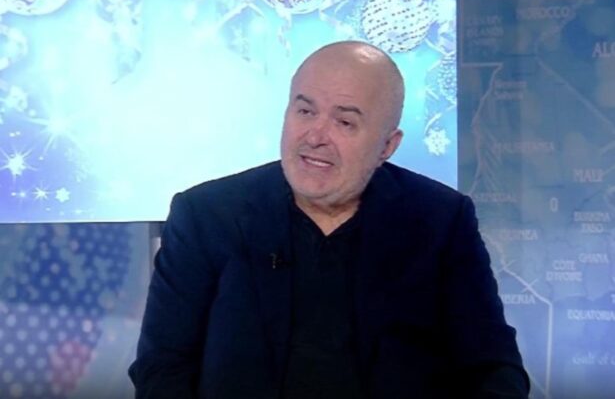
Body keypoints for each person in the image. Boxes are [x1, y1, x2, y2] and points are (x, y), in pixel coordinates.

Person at [129, 41, 529, 398]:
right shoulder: (206, 215)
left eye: (345, 122)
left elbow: (494, 370)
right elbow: (162, 368)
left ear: (387, 145)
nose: (315, 135)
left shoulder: (440, 220)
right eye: (305, 111)